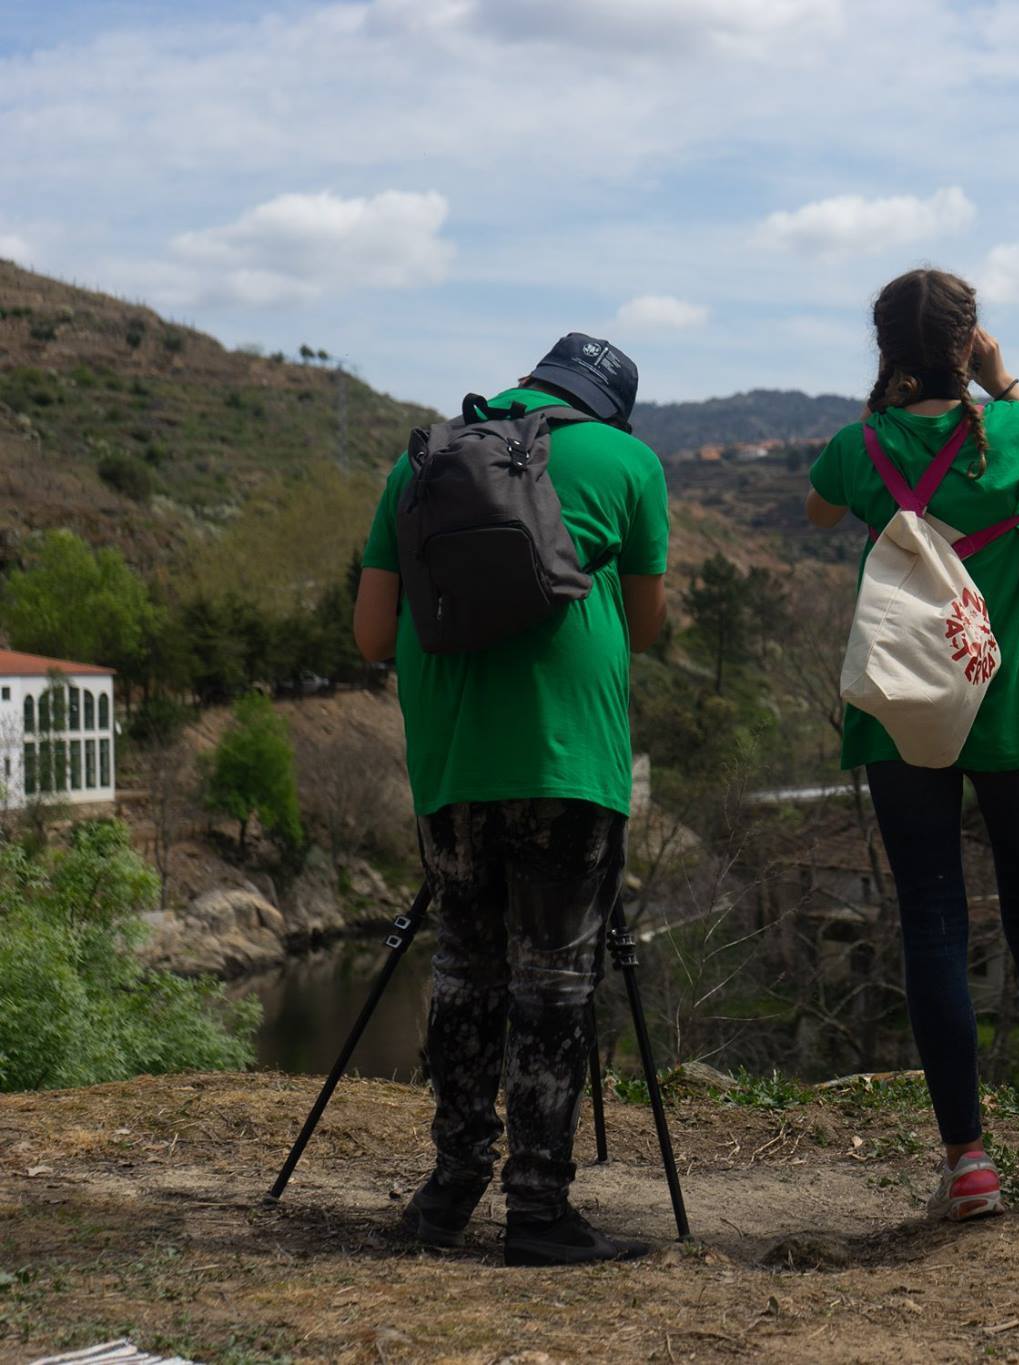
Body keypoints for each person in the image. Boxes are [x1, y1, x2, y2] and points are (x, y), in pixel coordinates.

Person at [353, 333, 669, 1265]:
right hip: (569, 756)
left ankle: (449, 1190)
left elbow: (372, 635)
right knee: (555, 980)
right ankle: (538, 1210)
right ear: (608, 410)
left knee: (465, 966)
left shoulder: (421, 460)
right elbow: (646, 625)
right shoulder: (631, 464)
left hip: (453, 758)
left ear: (530, 381)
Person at [805, 268, 1019, 1220]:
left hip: (904, 705)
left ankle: (968, 1162)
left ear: (886, 347)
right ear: (968, 343)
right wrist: (1003, 382)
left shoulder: (859, 447)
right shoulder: (1011, 435)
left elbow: (819, 510)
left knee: (933, 920)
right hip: (1014, 709)